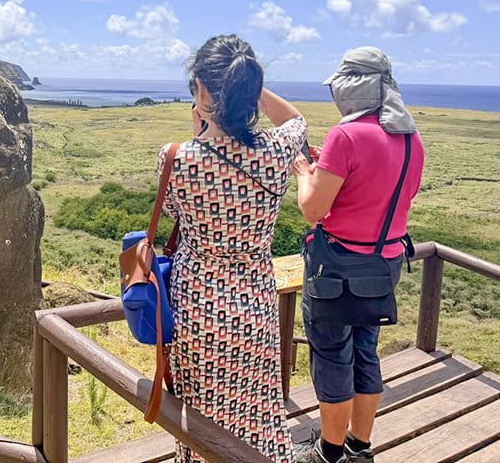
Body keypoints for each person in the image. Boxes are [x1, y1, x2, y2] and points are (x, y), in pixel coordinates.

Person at [159, 34, 307, 463]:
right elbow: (296, 120)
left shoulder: (177, 158)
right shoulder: (277, 152)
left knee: (198, 413)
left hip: (198, 305)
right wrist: (249, 86)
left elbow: (173, 211)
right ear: (250, 90)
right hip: (256, 303)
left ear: (201, 91)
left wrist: (197, 130)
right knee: (256, 408)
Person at [292, 47, 425, 463]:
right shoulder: (411, 137)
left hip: (336, 269)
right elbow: (395, 194)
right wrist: (331, 170)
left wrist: (303, 173)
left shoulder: (345, 135)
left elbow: (313, 210)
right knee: (365, 350)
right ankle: (359, 447)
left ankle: (328, 454)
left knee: (332, 356)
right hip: (383, 265)